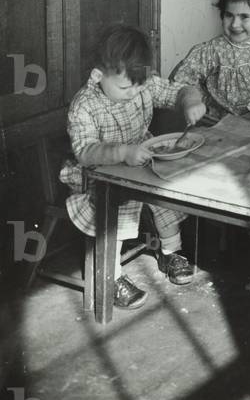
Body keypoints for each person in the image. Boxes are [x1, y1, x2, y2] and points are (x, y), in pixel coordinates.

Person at [63, 25, 207, 309]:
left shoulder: (143, 84)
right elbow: (85, 151)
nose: (134, 93)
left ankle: (171, 252)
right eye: (125, 87)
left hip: (140, 159)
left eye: (139, 86)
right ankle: (112, 275)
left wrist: (191, 101)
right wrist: (122, 153)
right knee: (121, 204)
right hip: (98, 175)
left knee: (166, 190)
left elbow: (179, 90)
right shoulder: (84, 106)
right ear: (97, 76)